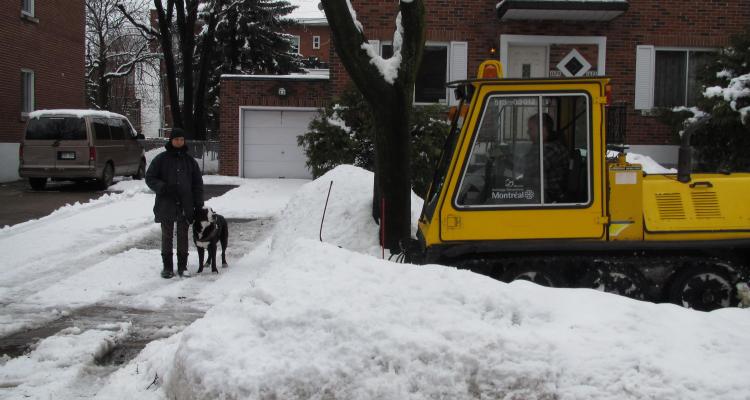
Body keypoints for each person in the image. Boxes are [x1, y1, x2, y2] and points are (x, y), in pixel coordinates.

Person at [146, 128, 204, 278]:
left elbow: (197, 184)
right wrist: (163, 187)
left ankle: (182, 266)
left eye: (181, 139)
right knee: (167, 235)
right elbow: (150, 178)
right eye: (176, 139)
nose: (179, 142)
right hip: (166, 204)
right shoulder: (161, 159)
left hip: (186, 204)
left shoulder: (190, 161)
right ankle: (167, 267)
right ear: (171, 140)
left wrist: (198, 204)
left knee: (183, 235)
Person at [523, 113, 568, 203]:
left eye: (531, 129)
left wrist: (507, 160)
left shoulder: (553, 148)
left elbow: (531, 167)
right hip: (538, 191)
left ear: (542, 129)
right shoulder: (540, 145)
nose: (528, 132)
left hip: (548, 197)